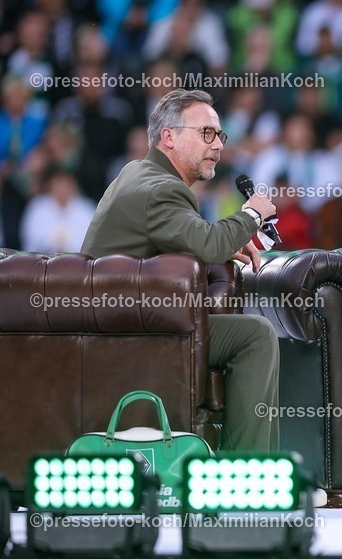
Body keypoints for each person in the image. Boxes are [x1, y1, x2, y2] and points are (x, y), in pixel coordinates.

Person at [81, 88, 279, 452]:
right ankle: (244, 474)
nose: (218, 145)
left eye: (220, 135)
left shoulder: (137, 173)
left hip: (114, 323)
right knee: (254, 335)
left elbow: (178, 245)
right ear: (168, 137)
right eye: (206, 133)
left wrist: (221, 242)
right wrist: (253, 214)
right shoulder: (161, 189)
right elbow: (206, 243)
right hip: (129, 333)